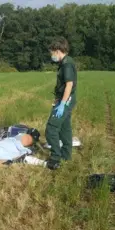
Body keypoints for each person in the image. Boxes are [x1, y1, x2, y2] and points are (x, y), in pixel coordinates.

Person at [45, 37, 78, 170]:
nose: (51, 55)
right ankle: (66, 155)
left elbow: (69, 85)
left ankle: (55, 157)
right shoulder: (66, 62)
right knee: (65, 128)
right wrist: (59, 99)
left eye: (52, 52)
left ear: (58, 51)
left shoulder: (67, 64)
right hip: (65, 100)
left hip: (66, 101)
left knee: (51, 128)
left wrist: (62, 104)